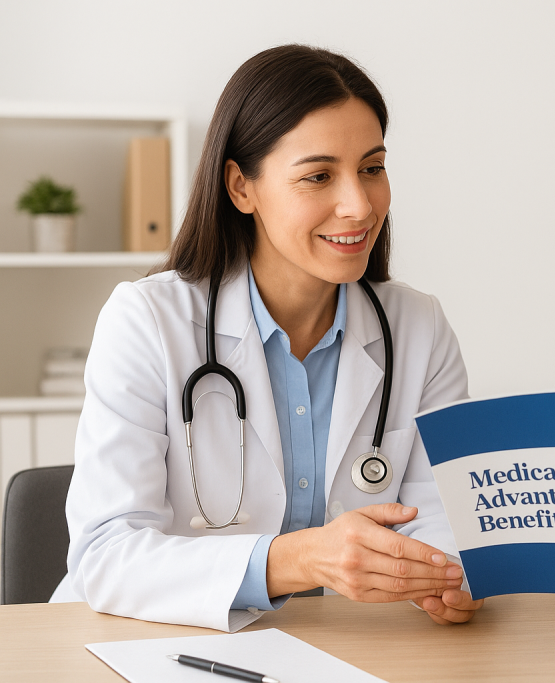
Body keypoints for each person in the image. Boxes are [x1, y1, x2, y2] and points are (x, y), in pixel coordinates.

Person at [51, 45, 483, 631]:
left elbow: (441, 516)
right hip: (148, 645)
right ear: (241, 187)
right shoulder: (146, 321)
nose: (359, 204)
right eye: (318, 176)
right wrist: (298, 560)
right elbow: (107, 554)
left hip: (346, 648)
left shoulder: (419, 327)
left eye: (372, 168)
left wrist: (444, 577)